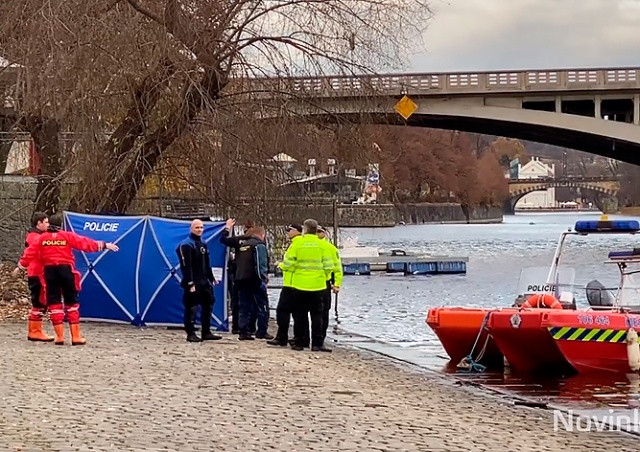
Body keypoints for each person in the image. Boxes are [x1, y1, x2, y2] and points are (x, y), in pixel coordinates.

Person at [18, 213, 119, 345]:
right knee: (71, 302)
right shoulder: (66, 236)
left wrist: (20, 266)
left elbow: (29, 253)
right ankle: (75, 336)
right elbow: (84, 243)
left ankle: (59, 337)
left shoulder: (41, 238)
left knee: (54, 302)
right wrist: (104, 245)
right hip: (66, 271)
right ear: (60, 225)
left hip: (49, 272)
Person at [279, 219, 334, 352]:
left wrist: (281, 266)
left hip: (300, 284)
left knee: (300, 316)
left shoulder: (298, 244)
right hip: (318, 285)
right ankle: (317, 343)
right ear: (316, 230)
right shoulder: (322, 246)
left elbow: (288, 264)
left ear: (304, 229)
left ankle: (300, 341)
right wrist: (322, 277)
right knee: (317, 315)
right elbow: (329, 266)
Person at [220, 219, 272, 340]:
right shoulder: (259, 244)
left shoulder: (240, 241)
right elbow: (261, 263)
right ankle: (262, 331)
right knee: (262, 305)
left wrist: (227, 228)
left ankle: (243, 332)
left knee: (243, 306)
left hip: (240, 278)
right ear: (262, 235)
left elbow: (223, 240)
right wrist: (263, 278)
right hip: (254, 279)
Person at [176, 219, 223, 343]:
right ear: (191, 228)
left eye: (201, 227)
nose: (200, 230)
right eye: (197, 228)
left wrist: (211, 277)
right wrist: (190, 282)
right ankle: (190, 333)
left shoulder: (203, 243)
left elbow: (207, 263)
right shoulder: (186, 244)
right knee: (191, 307)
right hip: (192, 282)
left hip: (204, 281)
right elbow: (186, 266)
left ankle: (206, 332)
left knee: (209, 304)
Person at [12, 212, 54, 342]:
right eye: (46, 222)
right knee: (40, 302)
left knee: (40, 302)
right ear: (39, 223)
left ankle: (35, 330)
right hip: (37, 273)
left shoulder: (36, 236)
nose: (48, 225)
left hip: (39, 273)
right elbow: (30, 254)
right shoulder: (35, 237)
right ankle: (35, 331)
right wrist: (20, 266)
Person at [267, 223, 302, 347]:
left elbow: (289, 264)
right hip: (300, 284)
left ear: (297, 231)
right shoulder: (301, 244)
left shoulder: (295, 245)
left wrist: (279, 265)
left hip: (290, 283)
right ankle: (299, 339)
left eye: (289, 230)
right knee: (298, 313)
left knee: (282, 311)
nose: (287, 232)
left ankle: (282, 337)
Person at [317, 225, 343, 342]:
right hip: (310, 283)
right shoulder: (305, 245)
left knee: (323, 311)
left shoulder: (330, 248)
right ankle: (308, 338)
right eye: (315, 231)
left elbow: (337, 268)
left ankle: (320, 338)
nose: (317, 234)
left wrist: (336, 284)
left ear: (324, 234)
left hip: (324, 283)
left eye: (320, 232)